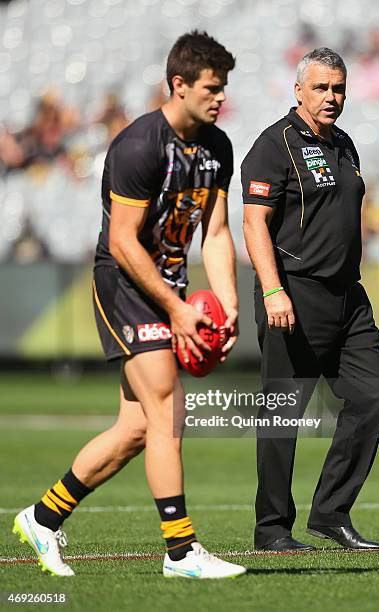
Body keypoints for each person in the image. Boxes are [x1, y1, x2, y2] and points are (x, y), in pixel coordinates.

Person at [13, 31, 245, 580]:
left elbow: (214, 232)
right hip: (123, 283)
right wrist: (177, 308)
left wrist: (228, 304)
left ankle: (42, 519)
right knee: (168, 408)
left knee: (137, 429)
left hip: (167, 288)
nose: (220, 99)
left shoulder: (218, 147)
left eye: (224, 88)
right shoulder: (139, 146)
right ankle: (182, 553)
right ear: (178, 84)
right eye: (211, 88)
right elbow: (122, 242)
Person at [242, 47, 379, 552]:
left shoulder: (346, 143)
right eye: (323, 88)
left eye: (339, 88)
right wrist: (273, 289)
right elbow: (254, 222)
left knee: (373, 397)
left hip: (348, 297)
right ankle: (272, 530)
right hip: (294, 294)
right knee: (284, 414)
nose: (332, 97)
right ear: (299, 90)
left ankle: (330, 513)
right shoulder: (273, 145)